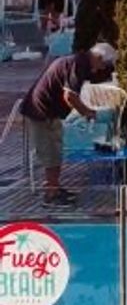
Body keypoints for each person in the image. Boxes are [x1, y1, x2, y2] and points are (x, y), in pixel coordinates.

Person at [19, 44, 116, 203]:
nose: (101, 68)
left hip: (50, 111)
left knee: (56, 151)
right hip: (40, 111)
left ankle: (55, 187)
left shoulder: (79, 62)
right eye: (104, 64)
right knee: (49, 152)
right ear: (98, 58)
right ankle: (51, 194)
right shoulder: (78, 64)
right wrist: (87, 112)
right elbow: (69, 97)